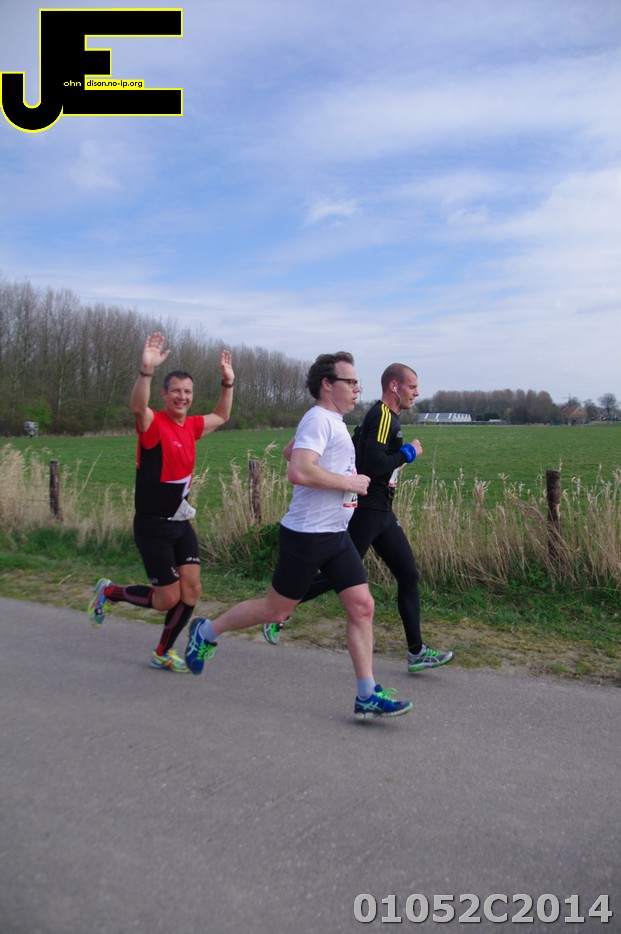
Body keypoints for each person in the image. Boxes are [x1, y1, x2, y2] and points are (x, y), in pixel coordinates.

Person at [184, 351, 413, 720]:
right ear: (327, 385)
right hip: (308, 534)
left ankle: (367, 694)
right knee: (275, 609)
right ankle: (206, 632)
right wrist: (348, 482)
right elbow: (299, 471)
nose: (357, 389)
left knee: (362, 606)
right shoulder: (319, 419)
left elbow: (292, 452)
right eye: (350, 382)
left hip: (336, 532)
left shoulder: (329, 421)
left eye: (358, 383)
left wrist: (321, 464)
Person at [264, 363, 454, 674]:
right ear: (394, 386)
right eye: (412, 387)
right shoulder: (382, 416)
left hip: (383, 513)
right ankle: (278, 612)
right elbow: (372, 464)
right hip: (367, 510)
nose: (417, 393)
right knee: (336, 577)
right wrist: (409, 453)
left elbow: (366, 455)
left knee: (408, 575)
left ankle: (416, 651)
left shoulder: (387, 417)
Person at [87, 331, 235, 673]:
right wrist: (147, 371)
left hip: (180, 523)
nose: (182, 397)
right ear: (165, 395)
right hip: (152, 526)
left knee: (192, 591)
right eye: (176, 391)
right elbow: (138, 408)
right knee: (167, 598)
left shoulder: (191, 426)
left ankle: (162, 652)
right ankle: (109, 593)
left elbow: (222, 416)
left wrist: (227, 383)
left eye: (187, 392)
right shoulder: (153, 424)